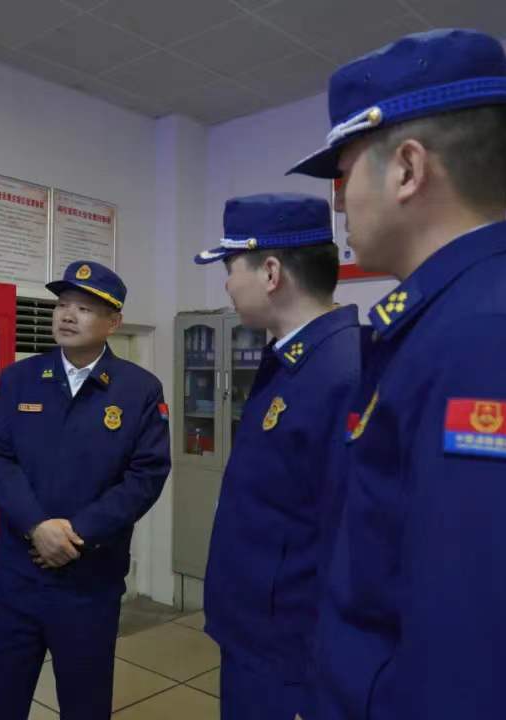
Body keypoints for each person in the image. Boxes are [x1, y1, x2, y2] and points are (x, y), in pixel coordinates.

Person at [288, 28, 506, 718]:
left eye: (345, 170)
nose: (338, 201)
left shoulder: (497, 346)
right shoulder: (457, 323)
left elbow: (477, 672)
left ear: (407, 169)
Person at [0, 260, 171, 720]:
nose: (66, 315)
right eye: (62, 304)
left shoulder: (138, 389)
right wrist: (36, 527)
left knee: (85, 702)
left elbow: (146, 476)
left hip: (88, 580)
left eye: (83, 308)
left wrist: (74, 533)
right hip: (16, 577)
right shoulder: (20, 377)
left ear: (113, 323)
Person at [194, 193, 362, 720]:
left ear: (270, 272)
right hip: (257, 637)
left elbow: (354, 546)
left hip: (294, 657)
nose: (225, 283)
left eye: (229, 267)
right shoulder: (291, 357)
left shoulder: (345, 370)